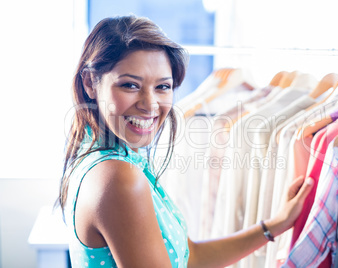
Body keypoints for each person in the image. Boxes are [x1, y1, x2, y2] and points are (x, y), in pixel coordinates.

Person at [57, 15, 314, 268]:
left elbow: (192, 256)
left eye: (162, 87)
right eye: (130, 85)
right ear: (90, 83)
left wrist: (275, 225)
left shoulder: (98, 155)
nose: (150, 104)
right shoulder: (117, 176)